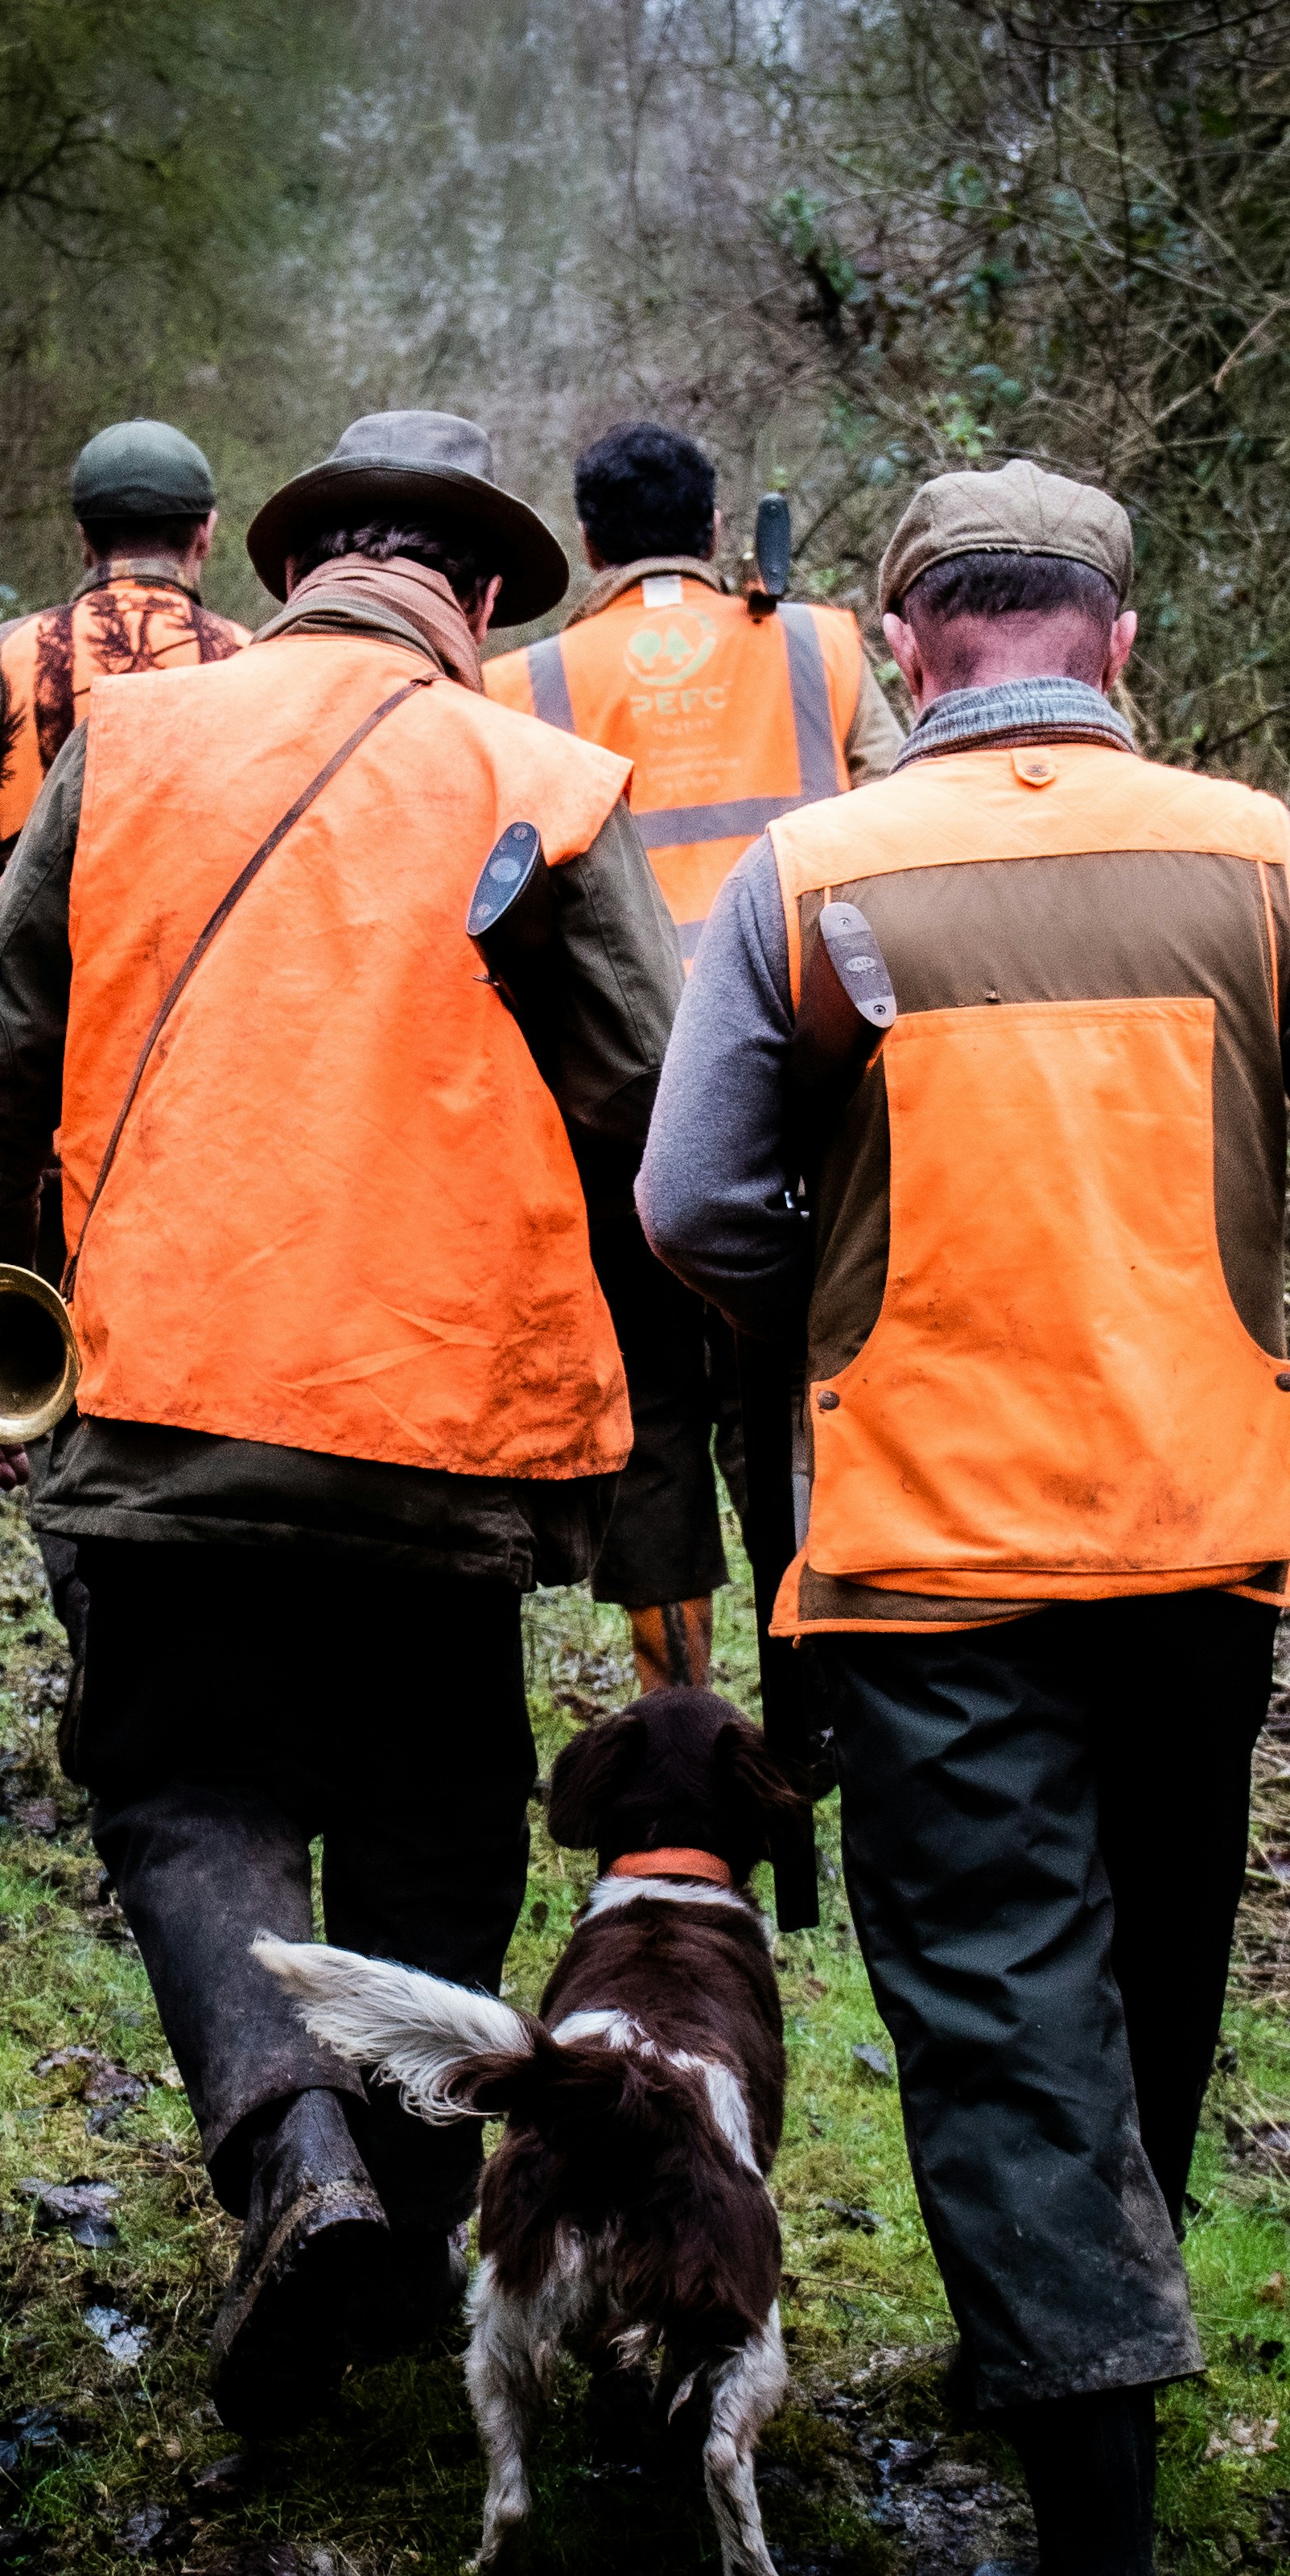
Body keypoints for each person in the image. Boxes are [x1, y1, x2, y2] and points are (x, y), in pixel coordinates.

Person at [637, 459, 1290, 2576]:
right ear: (1121, 641)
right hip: (1199, 1543)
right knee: (1148, 1973)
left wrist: (845, 1301)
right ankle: (1091, 2372)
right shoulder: (1265, 860)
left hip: (922, 1548)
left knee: (1002, 2015)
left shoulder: (808, 869)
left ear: (902, 648)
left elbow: (693, 1201)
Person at [0, 412, 684, 2441]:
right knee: (430, 1814)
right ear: (493, 597)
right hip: (447, 1419)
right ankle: (403, 2222)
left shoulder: (136, 746)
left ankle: (293, 2162)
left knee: (187, 1792)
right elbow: (660, 1129)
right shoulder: (552, 782)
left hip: (163, 1393)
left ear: (303, 560)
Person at [486, 422, 902, 1699]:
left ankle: (682, 1708)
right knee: (809, 1388)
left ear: (585, 543)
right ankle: (828, 1676)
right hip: (813, 1089)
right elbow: (903, 825)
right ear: (717, 529)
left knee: (655, 1402)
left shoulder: (520, 684)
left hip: (621, 1107)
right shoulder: (824, 645)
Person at [0, 418, 244, 949]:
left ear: (84, 539)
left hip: (45, 1023)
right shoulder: (261, 663)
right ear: (206, 534)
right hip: (210, 1012)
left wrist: (34, 927)